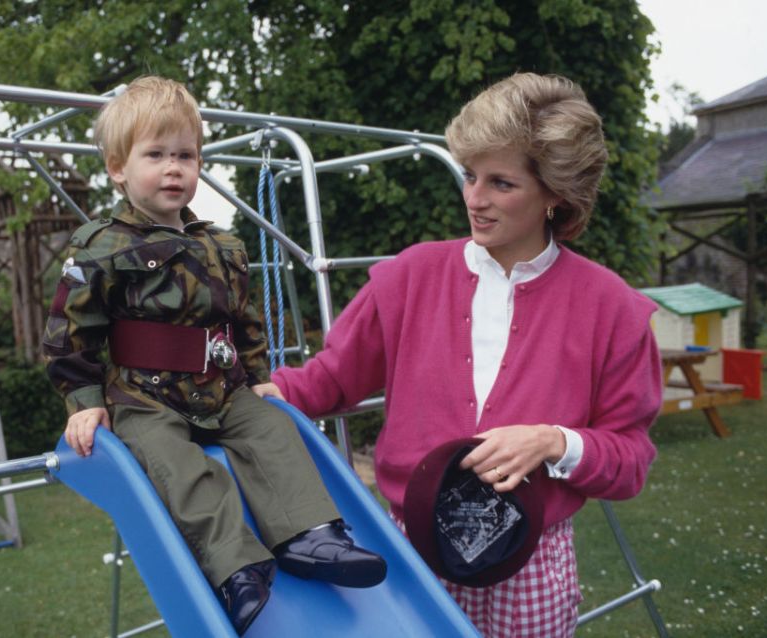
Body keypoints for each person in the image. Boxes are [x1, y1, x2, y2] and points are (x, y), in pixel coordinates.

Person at [254, 72, 663, 636]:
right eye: (470, 175)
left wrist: (552, 441)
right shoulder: (408, 277)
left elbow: (630, 459)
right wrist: (267, 394)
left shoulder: (613, 309)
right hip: (410, 550)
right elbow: (330, 379)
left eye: (501, 183)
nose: (474, 198)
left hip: (533, 562)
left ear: (555, 195)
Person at [42, 75, 385, 636]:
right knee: (178, 465)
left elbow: (245, 324)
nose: (174, 168)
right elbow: (69, 332)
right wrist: (83, 401)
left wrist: (256, 378)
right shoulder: (100, 245)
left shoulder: (223, 245)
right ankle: (237, 567)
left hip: (221, 388)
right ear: (117, 167)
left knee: (275, 430)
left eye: (186, 155)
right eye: (156, 155)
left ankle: (310, 535)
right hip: (144, 397)